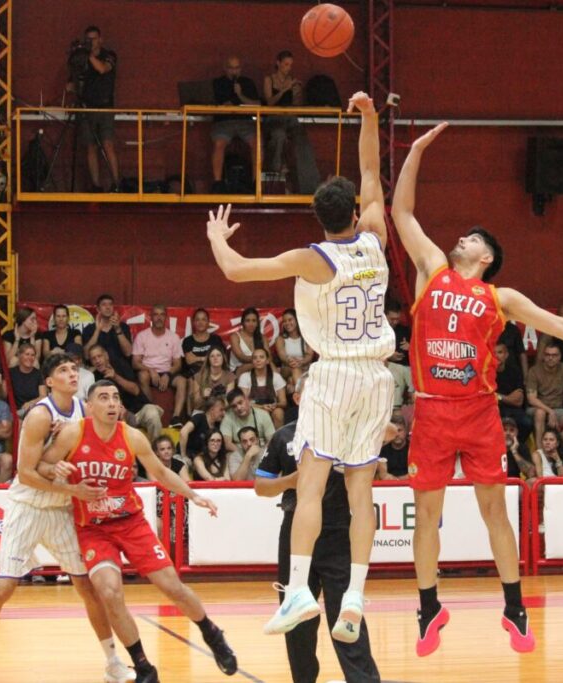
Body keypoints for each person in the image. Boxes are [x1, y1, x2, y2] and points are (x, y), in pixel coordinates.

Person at [391, 121, 563, 656]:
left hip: (480, 412)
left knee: (495, 513)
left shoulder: (500, 296)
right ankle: (428, 607)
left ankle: (513, 607)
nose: (461, 238)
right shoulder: (432, 270)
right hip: (434, 412)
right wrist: (416, 151)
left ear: (485, 256)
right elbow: (402, 213)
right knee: (426, 517)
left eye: (473, 238)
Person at [206, 92, 392, 642]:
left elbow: (237, 271)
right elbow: (371, 171)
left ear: (318, 217)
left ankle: (299, 594)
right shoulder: (377, 241)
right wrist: (367, 115)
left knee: (310, 490)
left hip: (333, 373)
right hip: (378, 376)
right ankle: (355, 597)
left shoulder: (312, 258)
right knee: (362, 493)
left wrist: (218, 236)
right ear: (355, 213)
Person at [0, 354, 133, 683]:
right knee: (4, 587)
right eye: (63, 370)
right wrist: (71, 484)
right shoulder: (40, 415)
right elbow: (26, 474)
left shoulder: (85, 413)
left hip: (60, 509)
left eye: (74, 369)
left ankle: (113, 662)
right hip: (28, 506)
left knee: (87, 587)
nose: (72, 374)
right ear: (49, 382)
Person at [42, 380, 237, 682]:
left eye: (116, 398)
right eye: (103, 398)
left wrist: (194, 495)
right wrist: (65, 481)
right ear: (89, 406)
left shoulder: (132, 437)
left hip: (130, 523)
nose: (111, 403)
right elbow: (41, 466)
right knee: (109, 592)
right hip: (93, 529)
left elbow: (160, 472)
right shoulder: (73, 433)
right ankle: (144, 666)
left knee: (171, 586)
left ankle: (212, 633)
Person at [255, 417, 382, 683]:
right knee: (297, 618)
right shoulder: (284, 436)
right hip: (296, 531)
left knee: (346, 614)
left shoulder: (346, 430)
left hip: (339, 530)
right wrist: (291, 481)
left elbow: (388, 433)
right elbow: (261, 487)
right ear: (300, 396)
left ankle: (363, 679)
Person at [262, 50, 320, 194]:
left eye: (291, 65)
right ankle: (274, 180)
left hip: (289, 117)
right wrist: (284, 90)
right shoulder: (269, 79)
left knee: (302, 139)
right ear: (278, 63)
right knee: (278, 136)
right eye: (286, 64)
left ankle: (310, 186)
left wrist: (296, 93)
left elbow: (297, 106)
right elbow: (269, 102)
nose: (288, 68)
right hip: (273, 117)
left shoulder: (292, 80)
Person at [75, 25, 121, 192]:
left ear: (100, 39)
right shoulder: (83, 59)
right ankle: (96, 185)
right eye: (88, 39)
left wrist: (88, 55)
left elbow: (102, 69)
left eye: (94, 39)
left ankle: (117, 183)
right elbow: (75, 82)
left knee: (108, 144)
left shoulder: (109, 55)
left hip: (105, 108)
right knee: (90, 146)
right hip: (88, 108)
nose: (91, 42)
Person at [88, 345, 163, 442]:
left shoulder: (120, 364)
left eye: (99, 356)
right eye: (93, 359)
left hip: (139, 410)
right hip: (118, 415)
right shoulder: (93, 376)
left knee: (152, 413)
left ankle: (156, 451)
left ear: (106, 356)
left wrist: (115, 376)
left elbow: (135, 390)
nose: (97, 361)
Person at [132, 304, 189, 427]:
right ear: (151, 317)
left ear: (166, 318)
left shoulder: (173, 337)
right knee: (142, 376)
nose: (159, 318)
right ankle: (152, 411)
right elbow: (135, 362)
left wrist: (168, 374)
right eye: (156, 314)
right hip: (147, 371)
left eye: (162, 314)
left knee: (182, 381)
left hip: (166, 371)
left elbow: (178, 364)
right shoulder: (142, 336)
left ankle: (176, 417)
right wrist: (150, 370)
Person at [210, 56, 260, 194]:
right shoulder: (218, 83)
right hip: (224, 121)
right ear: (225, 68)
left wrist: (240, 95)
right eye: (231, 68)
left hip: (245, 121)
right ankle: (218, 183)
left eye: (237, 67)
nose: (234, 71)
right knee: (219, 143)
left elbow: (257, 104)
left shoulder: (247, 83)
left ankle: (256, 183)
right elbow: (216, 103)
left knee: (257, 143)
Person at [237, 347, 287, 427]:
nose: (258, 360)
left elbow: (283, 402)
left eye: (261, 357)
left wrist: (274, 405)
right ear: (252, 361)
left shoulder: (276, 377)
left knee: (279, 413)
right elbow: (243, 402)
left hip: (272, 407)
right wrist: (262, 407)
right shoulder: (245, 377)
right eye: (255, 358)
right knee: (264, 413)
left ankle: (278, 438)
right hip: (253, 408)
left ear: (267, 361)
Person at [82, 294, 133, 366]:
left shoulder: (123, 327)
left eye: (110, 304)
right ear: (98, 309)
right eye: (104, 305)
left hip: (120, 368)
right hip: (98, 369)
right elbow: (86, 355)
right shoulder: (89, 329)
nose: (108, 307)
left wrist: (118, 329)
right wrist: (97, 330)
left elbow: (128, 353)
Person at [275, 308, 315, 389]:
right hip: (287, 368)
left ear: (297, 320)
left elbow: (309, 355)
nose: (287, 323)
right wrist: (290, 361)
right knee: (296, 369)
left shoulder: (307, 337)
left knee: (292, 381)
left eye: (290, 320)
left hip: (304, 368)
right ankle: (300, 396)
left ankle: (293, 386)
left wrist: (301, 362)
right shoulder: (280, 338)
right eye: (285, 321)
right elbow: (282, 356)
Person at [178, 396, 226, 461]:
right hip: (186, 454)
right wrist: (183, 456)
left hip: (201, 458)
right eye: (221, 410)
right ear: (212, 409)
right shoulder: (199, 417)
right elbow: (183, 431)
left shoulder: (217, 425)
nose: (224, 413)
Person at [182, 308, 227, 377]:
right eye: (197, 320)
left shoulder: (215, 339)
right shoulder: (188, 340)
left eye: (203, 319)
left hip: (213, 372)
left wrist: (197, 358)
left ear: (208, 322)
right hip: (193, 374)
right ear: (193, 323)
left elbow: (221, 359)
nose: (200, 322)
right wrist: (210, 358)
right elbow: (189, 360)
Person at [7, 344, 46, 417]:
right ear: (20, 355)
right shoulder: (10, 373)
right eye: (27, 354)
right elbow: (3, 395)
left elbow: (43, 395)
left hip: (32, 410)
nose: (30, 357)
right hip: (13, 412)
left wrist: (31, 403)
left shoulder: (39, 374)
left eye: (33, 355)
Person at [228, 307, 267, 375]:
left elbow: (268, 356)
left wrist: (264, 361)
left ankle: (279, 384)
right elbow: (241, 357)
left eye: (254, 321)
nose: (251, 324)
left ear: (257, 323)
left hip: (259, 367)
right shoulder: (235, 336)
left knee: (270, 365)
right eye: (248, 321)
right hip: (238, 370)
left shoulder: (262, 337)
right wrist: (259, 360)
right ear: (243, 322)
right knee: (255, 365)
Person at [376, 414, 409, 480]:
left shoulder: (413, 449)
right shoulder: (382, 450)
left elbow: (416, 474)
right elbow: (383, 475)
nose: (397, 434)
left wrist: (398, 480)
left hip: (410, 486)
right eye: (394, 431)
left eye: (399, 430)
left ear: (406, 431)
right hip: (388, 487)